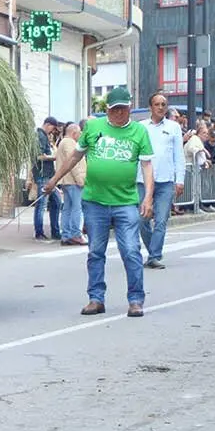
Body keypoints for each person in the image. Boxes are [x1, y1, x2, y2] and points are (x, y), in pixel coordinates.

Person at [44, 87, 154, 318]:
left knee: (131, 250)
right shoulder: (93, 128)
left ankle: (135, 300)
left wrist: (148, 197)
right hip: (95, 202)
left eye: (124, 109)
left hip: (125, 202)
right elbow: (75, 156)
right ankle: (96, 298)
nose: (120, 113)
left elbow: (146, 166)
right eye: (116, 109)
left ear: (130, 108)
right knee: (95, 251)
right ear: (107, 110)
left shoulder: (139, 132)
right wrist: (54, 180)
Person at [137, 92, 185, 269]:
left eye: (163, 104)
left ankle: (154, 255)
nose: (160, 107)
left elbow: (178, 155)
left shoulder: (173, 127)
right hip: (142, 180)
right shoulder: (141, 127)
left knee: (161, 219)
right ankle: (153, 249)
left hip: (165, 181)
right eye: (157, 104)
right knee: (142, 219)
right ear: (150, 107)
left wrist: (179, 180)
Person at [55, 122, 86, 246]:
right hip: (73, 181)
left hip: (67, 181)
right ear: (74, 133)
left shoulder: (63, 142)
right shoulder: (69, 143)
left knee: (67, 208)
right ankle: (75, 234)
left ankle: (66, 234)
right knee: (77, 208)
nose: (80, 135)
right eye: (79, 133)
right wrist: (80, 179)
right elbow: (72, 161)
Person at [33, 116, 61, 240]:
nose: (53, 132)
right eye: (53, 129)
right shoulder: (40, 136)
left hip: (48, 175)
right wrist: (53, 157)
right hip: (43, 174)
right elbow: (38, 156)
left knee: (56, 202)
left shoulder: (43, 136)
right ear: (48, 125)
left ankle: (55, 231)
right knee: (41, 205)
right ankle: (39, 232)